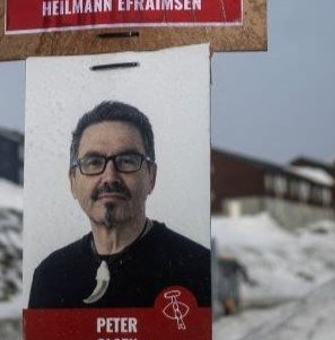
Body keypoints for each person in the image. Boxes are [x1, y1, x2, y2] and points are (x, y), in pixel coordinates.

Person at [27, 100, 212, 309]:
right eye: (94, 162)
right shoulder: (50, 278)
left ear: (151, 176)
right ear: (73, 181)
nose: (109, 177)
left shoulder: (198, 269)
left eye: (126, 160)